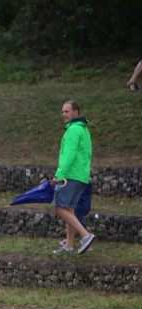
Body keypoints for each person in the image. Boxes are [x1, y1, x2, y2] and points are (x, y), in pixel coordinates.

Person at [51, 100, 95, 256]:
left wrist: (59, 175)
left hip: (71, 175)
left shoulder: (73, 130)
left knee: (59, 208)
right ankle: (69, 245)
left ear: (76, 112)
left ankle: (85, 235)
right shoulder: (83, 130)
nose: (64, 114)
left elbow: (69, 155)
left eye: (67, 111)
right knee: (69, 209)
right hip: (81, 175)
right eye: (63, 111)